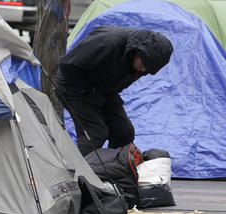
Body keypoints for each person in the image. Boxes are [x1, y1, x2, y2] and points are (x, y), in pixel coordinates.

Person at [54, 26, 173, 156]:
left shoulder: (143, 63)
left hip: (104, 89)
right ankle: (82, 173)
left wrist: (100, 94)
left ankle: (111, 168)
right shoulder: (107, 43)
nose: (143, 70)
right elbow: (67, 66)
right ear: (137, 52)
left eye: (148, 69)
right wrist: (92, 94)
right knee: (95, 133)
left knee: (123, 132)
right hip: (73, 86)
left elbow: (123, 80)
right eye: (143, 65)